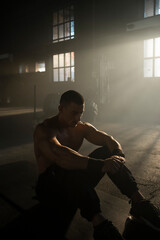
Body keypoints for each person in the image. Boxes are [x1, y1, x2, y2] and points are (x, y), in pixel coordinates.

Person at [34, 90, 160, 240]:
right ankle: (100, 225)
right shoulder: (44, 129)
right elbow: (61, 157)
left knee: (107, 153)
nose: (78, 118)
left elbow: (108, 139)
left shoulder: (80, 127)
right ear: (61, 109)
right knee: (68, 167)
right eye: (74, 113)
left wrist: (117, 155)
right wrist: (101, 165)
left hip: (73, 184)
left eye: (81, 113)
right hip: (50, 188)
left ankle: (139, 203)